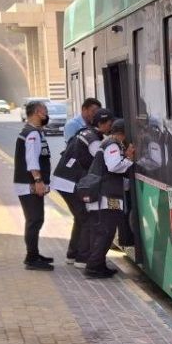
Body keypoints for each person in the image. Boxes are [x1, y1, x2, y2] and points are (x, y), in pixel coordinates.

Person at [52, 108, 114, 266]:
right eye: (109, 123)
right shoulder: (93, 140)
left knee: (80, 219)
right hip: (70, 182)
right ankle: (82, 258)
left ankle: (72, 255)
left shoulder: (86, 132)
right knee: (86, 218)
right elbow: (104, 161)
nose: (111, 127)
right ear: (102, 123)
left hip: (64, 179)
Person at [85, 119, 136, 279]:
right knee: (106, 232)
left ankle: (99, 265)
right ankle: (93, 267)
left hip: (106, 195)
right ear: (123, 133)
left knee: (105, 232)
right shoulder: (113, 145)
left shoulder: (111, 144)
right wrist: (128, 158)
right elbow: (113, 166)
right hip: (106, 196)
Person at [15, 101, 54, 271]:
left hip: (28, 183)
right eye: (45, 110)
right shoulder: (32, 134)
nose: (47, 113)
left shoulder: (33, 131)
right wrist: (38, 181)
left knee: (36, 219)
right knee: (34, 220)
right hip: (29, 184)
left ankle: (34, 253)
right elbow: (32, 160)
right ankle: (31, 258)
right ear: (38, 112)